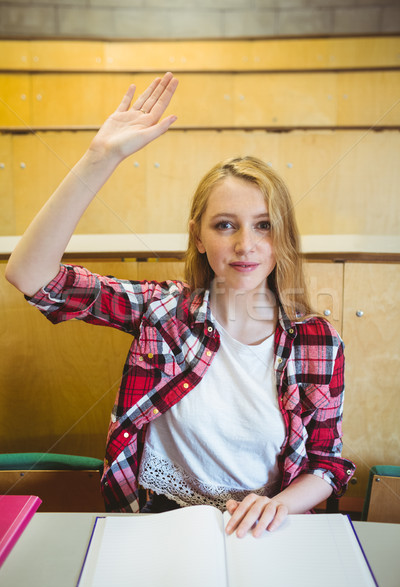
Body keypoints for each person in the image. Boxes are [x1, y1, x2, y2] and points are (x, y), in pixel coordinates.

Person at [5, 72, 355, 538]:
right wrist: (99, 157)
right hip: (159, 521)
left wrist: (277, 507)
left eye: (264, 226)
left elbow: (327, 464)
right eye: (226, 225)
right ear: (199, 236)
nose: (246, 245)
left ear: (283, 237)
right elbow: (30, 275)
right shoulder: (162, 311)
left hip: (266, 528)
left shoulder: (318, 341)